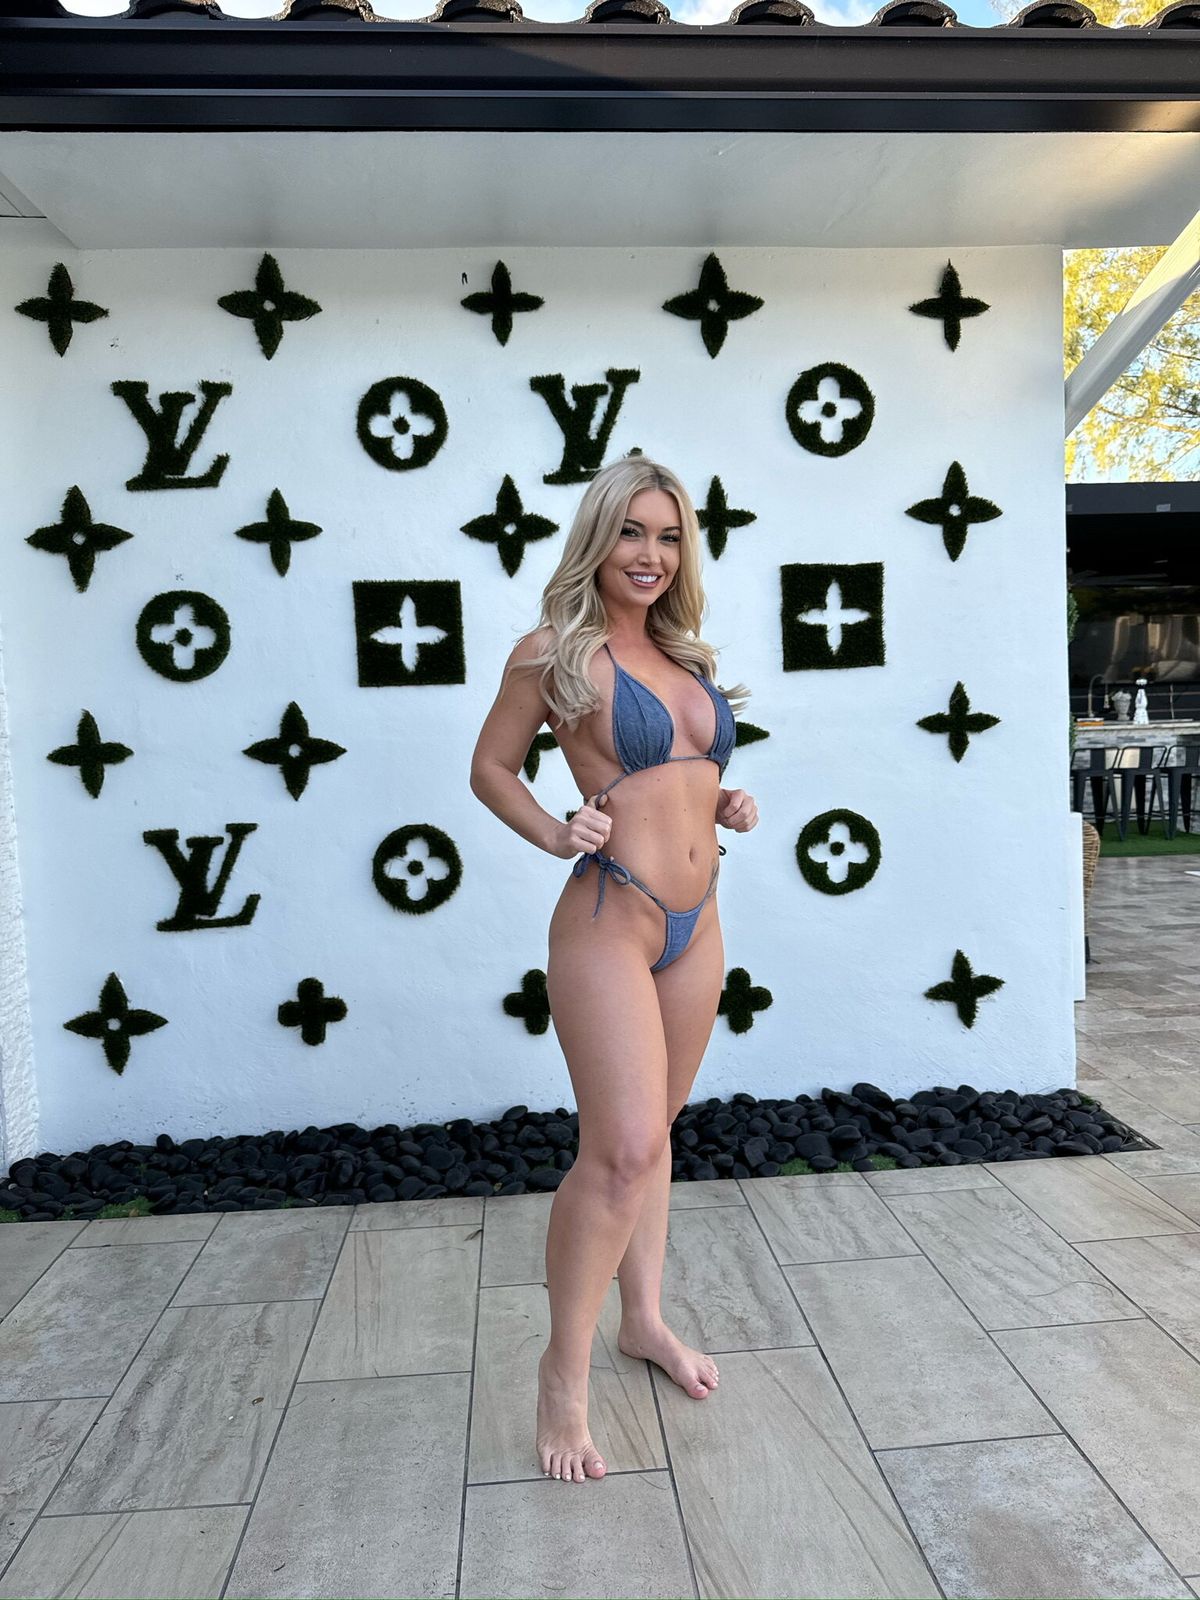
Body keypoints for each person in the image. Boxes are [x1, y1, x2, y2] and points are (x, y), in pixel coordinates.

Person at [469, 456, 759, 1487]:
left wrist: (724, 801)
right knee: (621, 1149)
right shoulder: (552, 653)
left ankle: (644, 1319)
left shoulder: (684, 655)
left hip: (698, 922)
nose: (651, 554)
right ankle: (564, 1374)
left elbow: (685, 776)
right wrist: (557, 831)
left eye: (669, 536)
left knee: (657, 1135)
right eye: (633, 531)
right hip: (611, 919)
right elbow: (490, 767)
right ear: (599, 537)